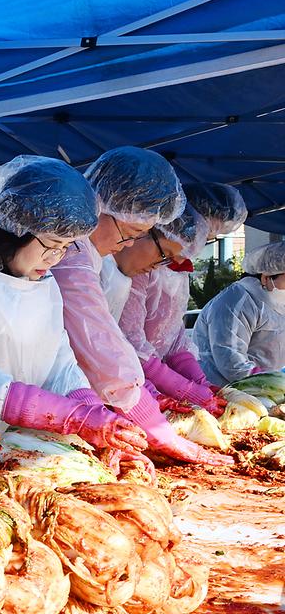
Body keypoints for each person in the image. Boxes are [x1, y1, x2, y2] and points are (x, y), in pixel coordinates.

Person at [0, 156, 147, 463]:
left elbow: (59, 363)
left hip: (16, 444)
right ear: (14, 229)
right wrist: (71, 417)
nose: (56, 257)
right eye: (51, 244)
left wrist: (90, 409)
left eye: (67, 246)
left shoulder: (43, 282)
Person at [49, 147, 227, 464]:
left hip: (65, 405)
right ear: (102, 205)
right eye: (130, 233)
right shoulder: (70, 257)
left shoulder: (88, 255)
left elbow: (84, 354)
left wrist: (147, 397)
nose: (128, 244)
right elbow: (101, 347)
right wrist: (156, 423)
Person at [119, 204, 226, 414]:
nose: (194, 246)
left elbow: (172, 337)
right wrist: (181, 389)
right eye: (166, 253)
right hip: (122, 386)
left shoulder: (174, 271)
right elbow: (128, 346)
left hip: (134, 385)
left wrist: (199, 382)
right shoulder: (132, 270)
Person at [194, 241, 285, 385]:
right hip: (227, 390)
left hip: (267, 388)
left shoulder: (276, 300)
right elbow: (232, 362)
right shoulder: (236, 302)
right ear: (266, 276)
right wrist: (272, 382)